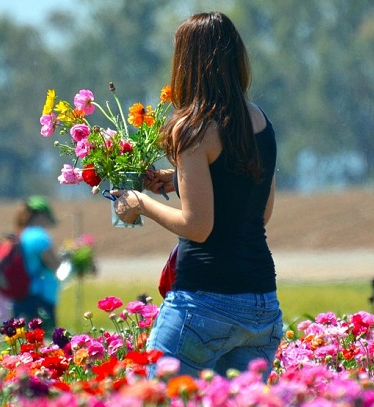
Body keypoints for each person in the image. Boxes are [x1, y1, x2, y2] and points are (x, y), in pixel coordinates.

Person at [111, 12, 283, 379]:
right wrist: (178, 180)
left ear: (187, 65)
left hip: (204, 302)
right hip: (262, 306)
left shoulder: (193, 127)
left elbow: (198, 226)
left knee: (153, 398)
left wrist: (141, 203)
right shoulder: (261, 122)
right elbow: (260, 210)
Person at [13, 195, 62, 332]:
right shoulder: (39, 236)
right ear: (40, 215)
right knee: (45, 343)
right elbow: (54, 265)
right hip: (39, 297)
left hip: (21, 295)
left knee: (23, 344)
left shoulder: (21, 234)